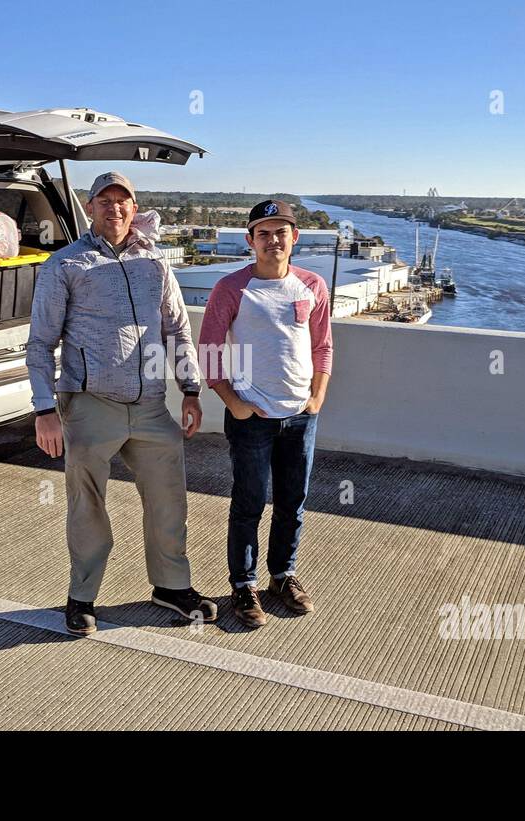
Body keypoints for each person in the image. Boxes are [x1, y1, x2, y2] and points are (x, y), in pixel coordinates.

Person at [26, 170, 217, 636]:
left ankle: (171, 586)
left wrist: (190, 390)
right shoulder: (66, 264)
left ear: (135, 208)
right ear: (89, 208)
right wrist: (44, 409)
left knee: (168, 500)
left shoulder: (155, 263)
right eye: (105, 200)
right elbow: (40, 343)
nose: (115, 207)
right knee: (87, 505)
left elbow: (177, 330)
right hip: (91, 404)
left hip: (151, 406)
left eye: (123, 200)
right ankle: (82, 597)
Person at [197, 200, 332, 628]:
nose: (273, 240)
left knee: (293, 502)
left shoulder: (312, 285)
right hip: (251, 418)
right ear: (250, 240)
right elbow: (210, 353)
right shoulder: (231, 288)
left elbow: (322, 347)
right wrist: (235, 404)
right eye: (264, 233)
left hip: (300, 418)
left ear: (295, 238)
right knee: (249, 503)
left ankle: (282, 576)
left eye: (281, 232)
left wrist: (317, 399)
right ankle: (243, 585)